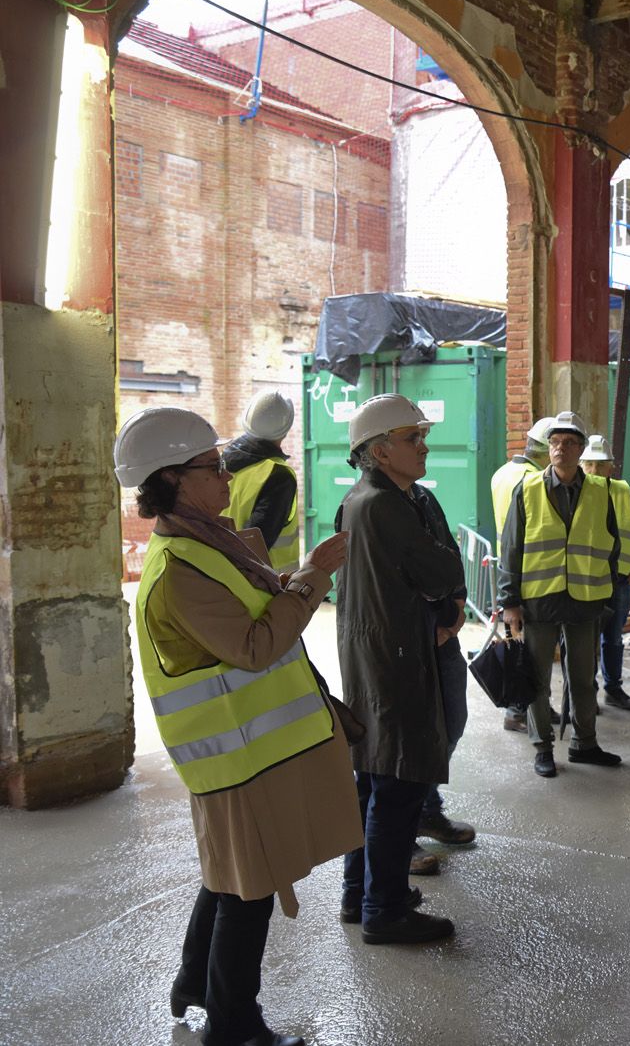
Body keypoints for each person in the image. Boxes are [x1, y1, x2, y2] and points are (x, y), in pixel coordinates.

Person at [117, 406, 361, 1046]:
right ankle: (234, 1026)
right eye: (212, 467)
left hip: (250, 752)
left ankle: (197, 983)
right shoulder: (180, 571)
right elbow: (256, 645)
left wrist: (293, 576)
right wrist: (313, 577)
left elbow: (252, 604)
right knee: (248, 891)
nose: (226, 474)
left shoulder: (208, 544)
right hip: (234, 757)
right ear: (173, 481)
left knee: (231, 875)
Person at [336, 394, 465, 945]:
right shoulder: (389, 506)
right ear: (381, 451)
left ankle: (359, 894)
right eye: (414, 438)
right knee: (397, 785)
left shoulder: (358, 500)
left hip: (373, 657)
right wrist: (445, 564)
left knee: (372, 782)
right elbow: (439, 569)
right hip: (397, 660)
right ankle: (384, 910)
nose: (424, 446)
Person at [498, 410, 625, 777]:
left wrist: (606, 589)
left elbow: (611, 544)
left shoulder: (601, 492)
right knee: (538, 680)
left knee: (583, 678)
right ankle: (542, 747)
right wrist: (510, 602)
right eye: (555, 442)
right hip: (540, 600)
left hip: (585, 601)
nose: (560, 449)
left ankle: (585, 743)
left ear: (581, 449)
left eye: (568, 443)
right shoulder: (529, 488)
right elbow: (512, 548)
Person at [412, 480, 477, 853]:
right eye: (412, 438)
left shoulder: (421, 497)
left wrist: (455, 610)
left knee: (451, 724)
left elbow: (448, 555)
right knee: (409, 739)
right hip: (407, 644)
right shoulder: (368, 506)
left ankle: (426, 807)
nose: (423, 445)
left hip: (443, 637)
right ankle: (400, 832)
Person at [579, 434, 630, 711]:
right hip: (585, 582)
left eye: (601, 464)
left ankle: (613, 688)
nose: (596, 471)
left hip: (620, 580)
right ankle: (588, 691)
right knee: (585, 641)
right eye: (590, 465)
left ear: (612, 466)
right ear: (582, 465)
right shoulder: (575, 492)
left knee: (613, 638)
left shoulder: (624, 491)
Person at [491, 417, 553, 733]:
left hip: (508, 568)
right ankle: (520, 711)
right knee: (528, 651)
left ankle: (524, 709)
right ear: (545, 449)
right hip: (531, 572)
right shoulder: (535, 479)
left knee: (519, 645)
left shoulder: (502, 473)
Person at [221, 390, 300, 572]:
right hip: (267, 584)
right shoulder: (278, 475)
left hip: (225, 574)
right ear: (286, 429)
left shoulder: (220, 462)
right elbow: (259, 541)